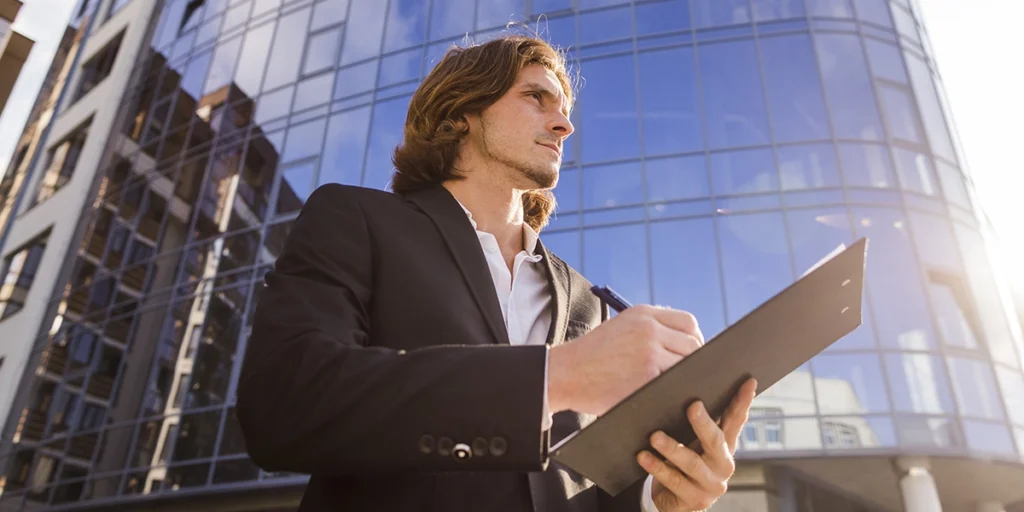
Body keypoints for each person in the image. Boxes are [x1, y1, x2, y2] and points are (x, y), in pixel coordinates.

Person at [236, 33, 757, 512]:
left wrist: (657, 497)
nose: (565, 124)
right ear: (463, 110)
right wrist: (557, 377)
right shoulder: (357, 219)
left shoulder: (586, 301)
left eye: (564, 108)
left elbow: (580, 488)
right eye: (536, 97)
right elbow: (285, 403)